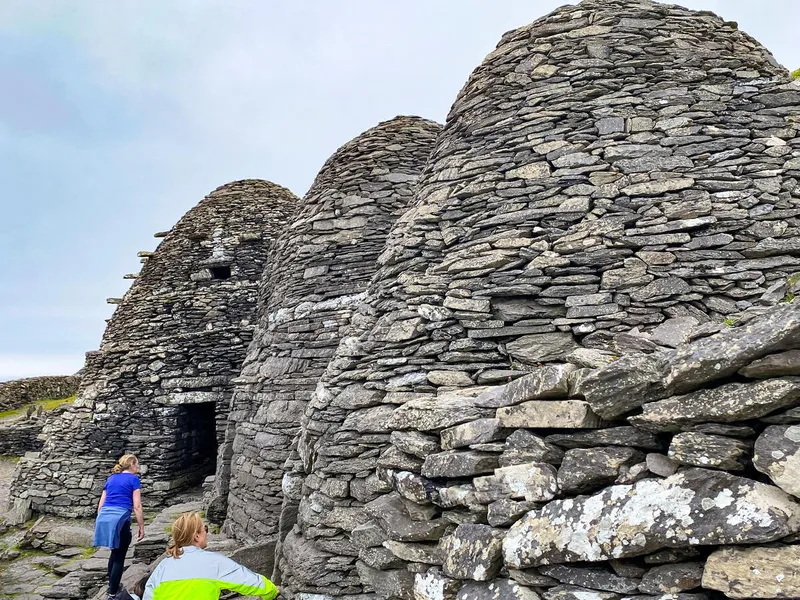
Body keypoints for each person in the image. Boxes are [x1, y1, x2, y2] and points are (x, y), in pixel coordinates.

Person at [143, 511, 278, 600]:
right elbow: (249, 581)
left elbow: (148, 596)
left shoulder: (163, 567)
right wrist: (272, 591)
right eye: (205, 529)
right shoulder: (215, 562)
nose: (207, 533)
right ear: (196, 536)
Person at [93, 454, 146, 600]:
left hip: (105, 518)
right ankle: (113, 593)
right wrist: (141, 526)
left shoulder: (111, 478)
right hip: (120, 518)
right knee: (119, 556)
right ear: (132, 465)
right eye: (137, 464)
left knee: (114, 552)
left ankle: (112, 585)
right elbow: (137, 506)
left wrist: (101, 520)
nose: (138, 467)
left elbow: (101, 503)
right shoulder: (134, 480)